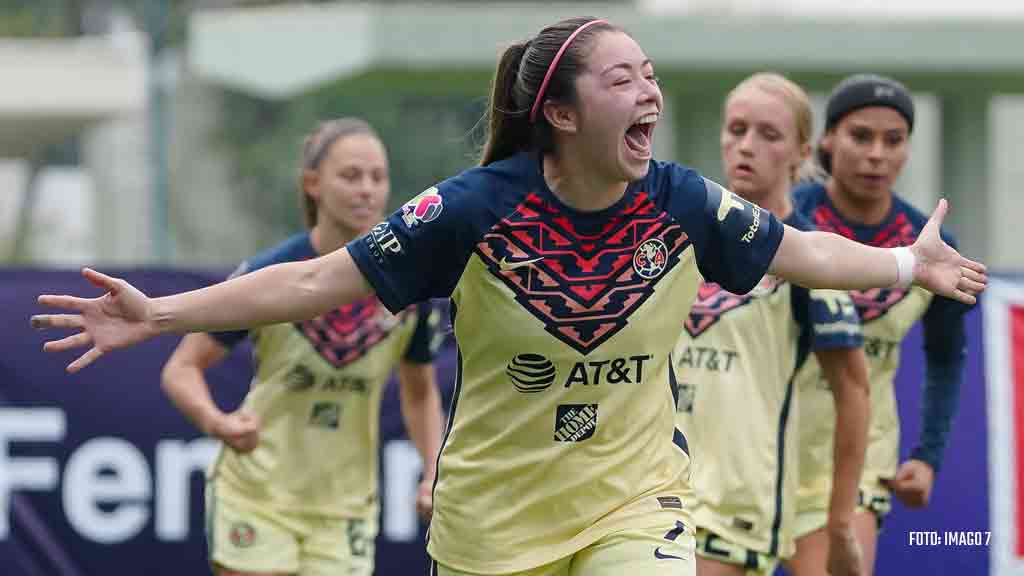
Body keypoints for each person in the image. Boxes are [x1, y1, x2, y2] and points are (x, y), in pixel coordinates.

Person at [32, 18, 986, 576]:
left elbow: (804, 253)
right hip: (492, 522)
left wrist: (910, 264)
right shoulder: (471, 209)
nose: (649, 91)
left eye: (650, 75)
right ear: (561, 115)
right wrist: (160, 313)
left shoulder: (684, 200)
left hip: (636, 500)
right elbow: (316, 281)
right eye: (623, 80)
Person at [160, 118, 445, 576]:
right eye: (351, 176)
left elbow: (420, 392)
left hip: (345, 508)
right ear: (313, 184)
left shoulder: (407, 288)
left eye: (378, 177)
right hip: (258, 494)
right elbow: (182, 369)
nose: (367, 190)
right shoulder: (272, 274)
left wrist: (433, 470)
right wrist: (219, 423)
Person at [673, 73, 870, 576]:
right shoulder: (678, 240)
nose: (746, 146)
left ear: (801, 152)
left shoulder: (811, 260)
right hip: (652, 491)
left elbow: (853, 390)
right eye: (736, 129)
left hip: (735, 508)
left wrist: (840, 522)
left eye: (769, 134)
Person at [787, 74, 972, 576]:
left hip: (860, 457)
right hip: (762, 444)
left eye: (894, 140)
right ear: (826, 140)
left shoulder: (932, 245)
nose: (877, 154)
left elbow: (946, 357)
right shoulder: (783, 221)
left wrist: (928, 455)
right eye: (860, 136)